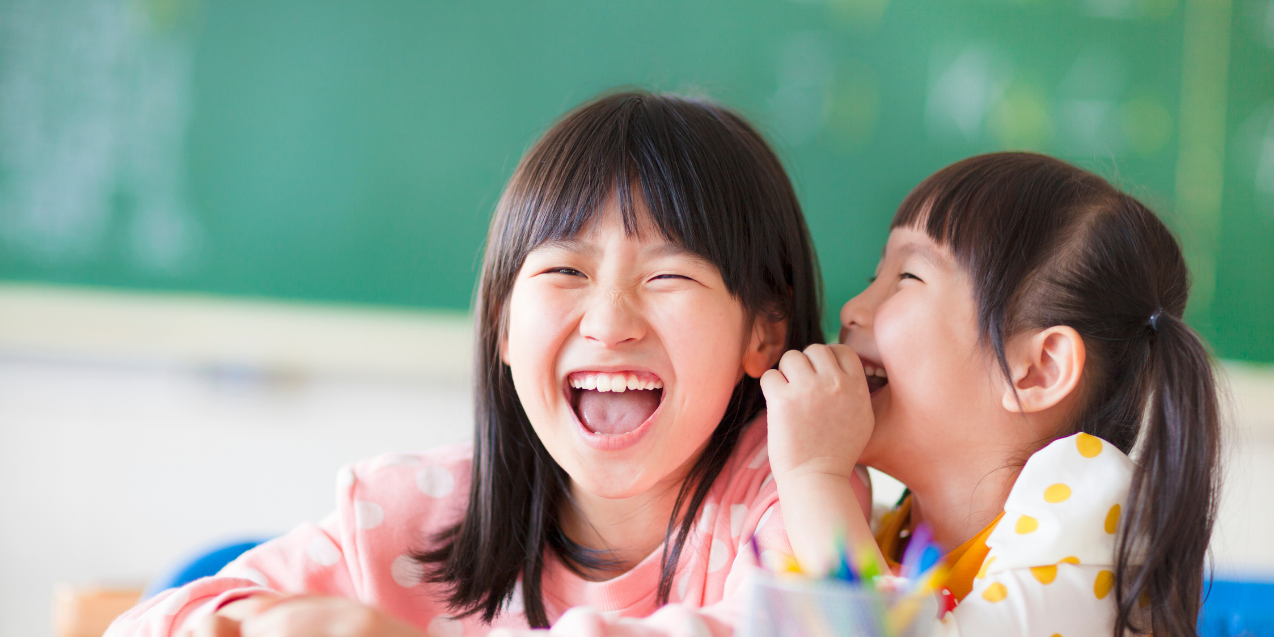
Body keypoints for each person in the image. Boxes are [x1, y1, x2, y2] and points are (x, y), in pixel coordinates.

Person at [106, 91, 832, 637]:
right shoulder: (412, 513)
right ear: (503, 327)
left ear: (764, 331)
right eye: (565, 272)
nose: (610, 322)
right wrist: (254, 620)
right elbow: (148, 623)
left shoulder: (794, 499)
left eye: (668, 276)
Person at [763, 152, 1219, 636]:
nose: (853, 309)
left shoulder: (1090, 514)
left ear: (1037, 371)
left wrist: (813, 477)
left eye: (907, 279)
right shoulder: (887, 529)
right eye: (872, 279)